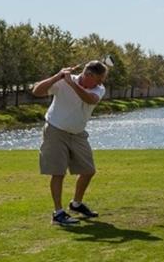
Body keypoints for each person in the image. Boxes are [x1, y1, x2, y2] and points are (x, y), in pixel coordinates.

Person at [31, 60, 108, 225]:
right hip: (55, 130)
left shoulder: (98, 88)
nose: (101, 83)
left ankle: (76, 204)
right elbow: (36, 91)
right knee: (58, 172)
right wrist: (57, 76)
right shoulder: (63, 81)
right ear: (87, 75)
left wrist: (72, 84)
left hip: (78, 133)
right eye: (99, 79)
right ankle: (58, 213)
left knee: (88, 170)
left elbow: (90, 100)